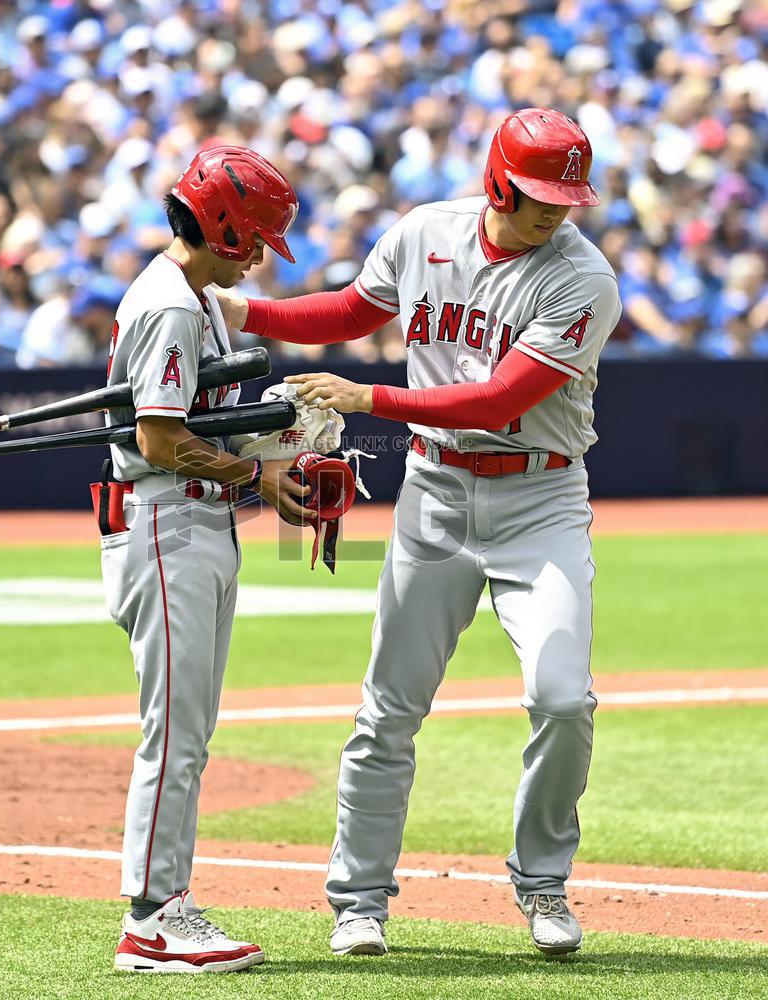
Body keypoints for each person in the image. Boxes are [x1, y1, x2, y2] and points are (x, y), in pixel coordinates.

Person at [217, 109, 622, 957]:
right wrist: (242, 310)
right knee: (387, 712)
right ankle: (359, 900)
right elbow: (348, 312)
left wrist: (372, 401)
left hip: (541, 503)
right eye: (543, 194)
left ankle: (542, 881)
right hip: (436, 494)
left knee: (562, 700)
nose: (559, 211)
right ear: (499, 179)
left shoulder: (582, 278)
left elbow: (497, 401)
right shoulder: (423, 232)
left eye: (569, 196)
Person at [99, 145, 312, 974]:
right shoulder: (173, 307)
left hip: (195, 524)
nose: (260, 253)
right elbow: (158, 438)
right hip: (165, 523)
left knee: (191, 730)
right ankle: (150, 921)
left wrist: (283, 435)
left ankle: (170, 901)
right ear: (220, 224)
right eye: (254, 236)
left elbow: (195, 421)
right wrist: (256, 472)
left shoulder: (196, 298)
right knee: (177, 732)